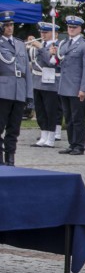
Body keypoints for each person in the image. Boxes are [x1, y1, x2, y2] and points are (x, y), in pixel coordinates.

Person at [56, 15, 85, 155]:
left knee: (78, 118)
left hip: (76, 87)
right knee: (69, 118)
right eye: (70, 27)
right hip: (64, 86)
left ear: (80, 29)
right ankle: (72, 143)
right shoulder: (64, 44)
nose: (71, 29)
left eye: (74, 27)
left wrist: (84, 88)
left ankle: (79, 145)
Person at [0, 10, 32, 165]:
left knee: (14, 128)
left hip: (19, 90)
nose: (9, 28)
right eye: (6, 25)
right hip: (3, 91)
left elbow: (28, 72)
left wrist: (29, 94)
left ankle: (10, 157)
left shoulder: (20, 44)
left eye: (11, 24)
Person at [29, 22, 61, 148]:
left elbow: (52, 63)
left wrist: (40, 47)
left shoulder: (56, 46)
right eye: (42, 32)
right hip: (37, 82)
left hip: (50, 83)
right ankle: (43, 135)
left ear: (54, 34)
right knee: (40, 111)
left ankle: (51, 137)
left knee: (50, 111)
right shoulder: (39, 45)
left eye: (46, 32)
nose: (43, 35)